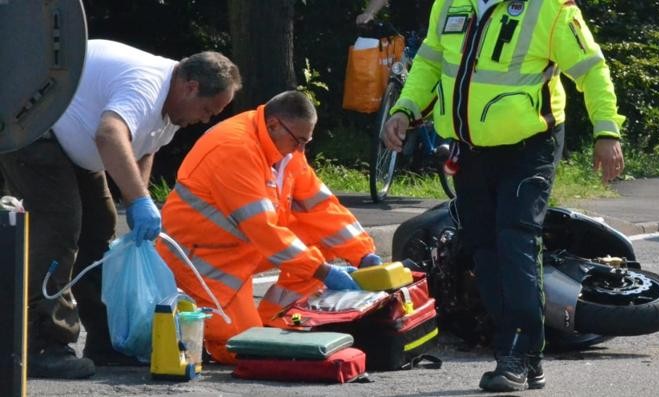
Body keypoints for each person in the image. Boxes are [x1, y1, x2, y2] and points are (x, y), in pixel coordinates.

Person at [382, 0, 625, 392]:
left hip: (529, 146)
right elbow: (428, 63)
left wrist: (607, 130)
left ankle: (518, 354)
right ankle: (524, 355)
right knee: (484, 248)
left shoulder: (550, 9)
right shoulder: (449, 4)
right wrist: (405, 109)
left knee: (515, 241)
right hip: (470, 148)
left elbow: (592, 69)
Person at [0, 39, 240, 379]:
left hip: (68, 136)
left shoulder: (174, 107)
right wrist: (141, 202)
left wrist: (134, 195)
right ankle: (41, 344)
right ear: (191, 86)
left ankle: (106, 340)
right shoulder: (147, 85)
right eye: (208, 111)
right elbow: (110, 134)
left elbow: (144, 146)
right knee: (60, 223)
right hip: (32, 123)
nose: (205, 120)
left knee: (101, 224)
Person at [155, 90, 382, 365]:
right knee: (241, 346)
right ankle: (185, 320)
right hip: (201, 261)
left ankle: (275, 323)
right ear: (274, 124)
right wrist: (323, 271)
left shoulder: (284, 149)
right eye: (298, 140)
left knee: (323, 242)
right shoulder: (235, 149)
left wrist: (364, 254)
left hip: (242, 250)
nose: (300, 150)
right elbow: (264, 229)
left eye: (305, 142)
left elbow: (321, 206)